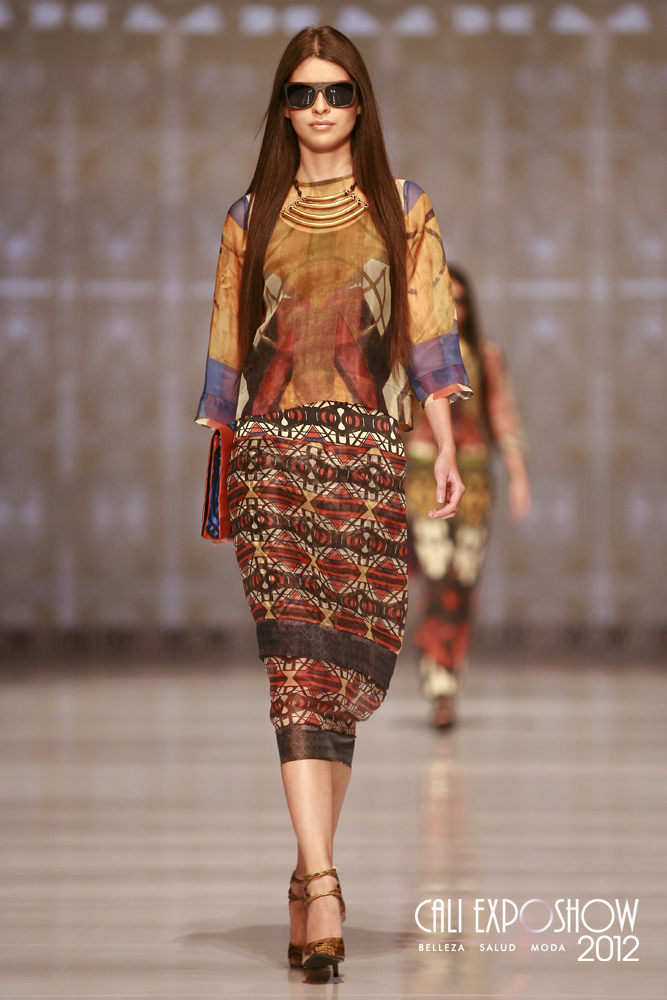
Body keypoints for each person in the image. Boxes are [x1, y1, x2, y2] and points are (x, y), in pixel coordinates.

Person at [195, 26, 470, 974]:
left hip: (366, 457)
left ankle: (306, 876)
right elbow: (228, 343)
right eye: (303, 93)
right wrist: (223, 460)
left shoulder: (401, 206)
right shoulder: (250, 215)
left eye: (337, 92)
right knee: (292, 667)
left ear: (360, 103)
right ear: (282, 107)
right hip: (272, 459)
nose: (320, 108)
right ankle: (320, 879)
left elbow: (428, 331)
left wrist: (443, 443)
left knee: (341, 670)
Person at [405, 264, 531, 729]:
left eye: (460, 301)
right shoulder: (414, 353)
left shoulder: (485, 354)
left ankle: (449, 682)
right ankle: (439, 687)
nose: (454, 310)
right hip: (424, 475)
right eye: (447, 300)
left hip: (475, 481)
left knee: (463, 582)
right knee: (438, 577)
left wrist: (518, 477)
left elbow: (501, 415)